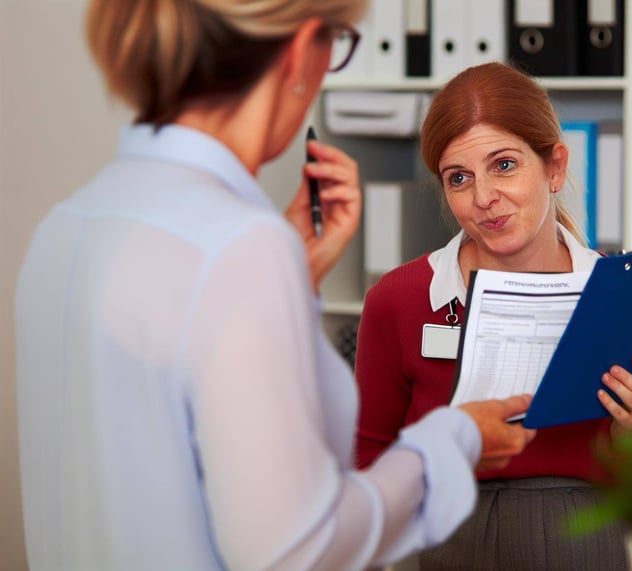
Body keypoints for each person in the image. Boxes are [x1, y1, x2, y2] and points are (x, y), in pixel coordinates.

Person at [14, 2, 536, 570]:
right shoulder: (238, 248)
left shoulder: (64, 227)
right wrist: (453, 441)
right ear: (301, 49)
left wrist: (293, 278)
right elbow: (296, 549)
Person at [353, 61, 632, 570]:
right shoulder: (398, 300)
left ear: (553, 168)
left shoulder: (629, 295)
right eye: (459, 178)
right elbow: (368, 466)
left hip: (588, 544)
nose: (484, 198)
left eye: (504, 165)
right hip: (448, 540)